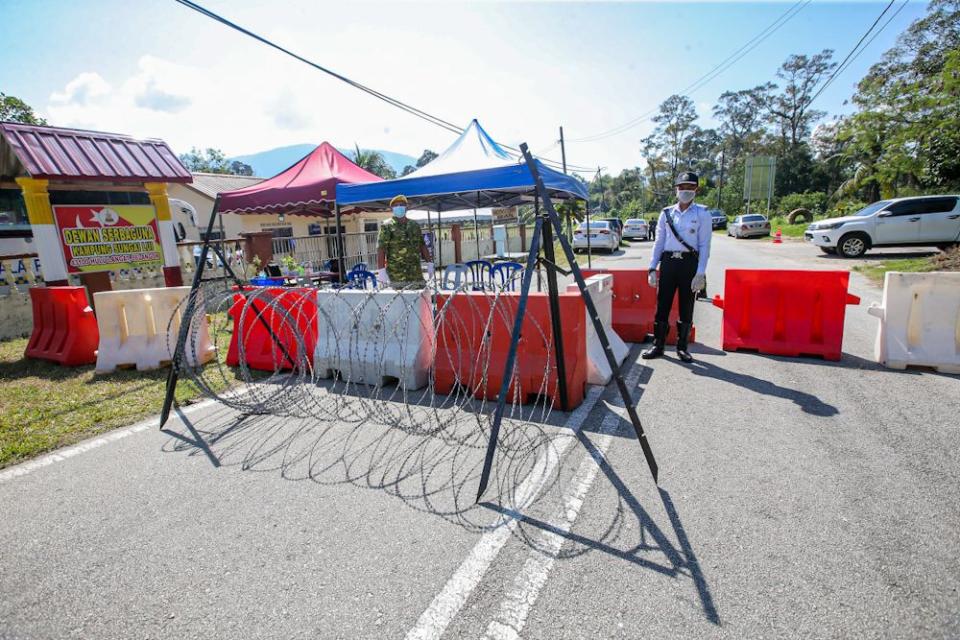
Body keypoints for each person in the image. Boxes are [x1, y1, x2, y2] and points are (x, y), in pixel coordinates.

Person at [642, 171, 712, 363]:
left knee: (686, 306)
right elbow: (659, 242)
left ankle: (682, 348)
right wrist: (652, 267)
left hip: (689, 264)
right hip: (669, 263)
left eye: (690, 187)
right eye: (682, 187)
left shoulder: (703, 214)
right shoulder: (666, 213)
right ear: (676, 189)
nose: (686, 191)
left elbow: (705, 245)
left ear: (696, 189)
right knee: (662, 305)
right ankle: (658, 345)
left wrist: (701, 273)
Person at [377, 195, 433, 287]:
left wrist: (429, 263)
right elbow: (381, 249)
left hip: (416, 274)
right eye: (396, 205)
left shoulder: (414, 225)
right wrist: (381, 271)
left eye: (402, 205)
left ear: (406, 207)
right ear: (392, 208)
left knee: (418, 299)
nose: (399, 207)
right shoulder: (387, 226)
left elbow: (422, 245)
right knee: (399, 300)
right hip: (397, 275)